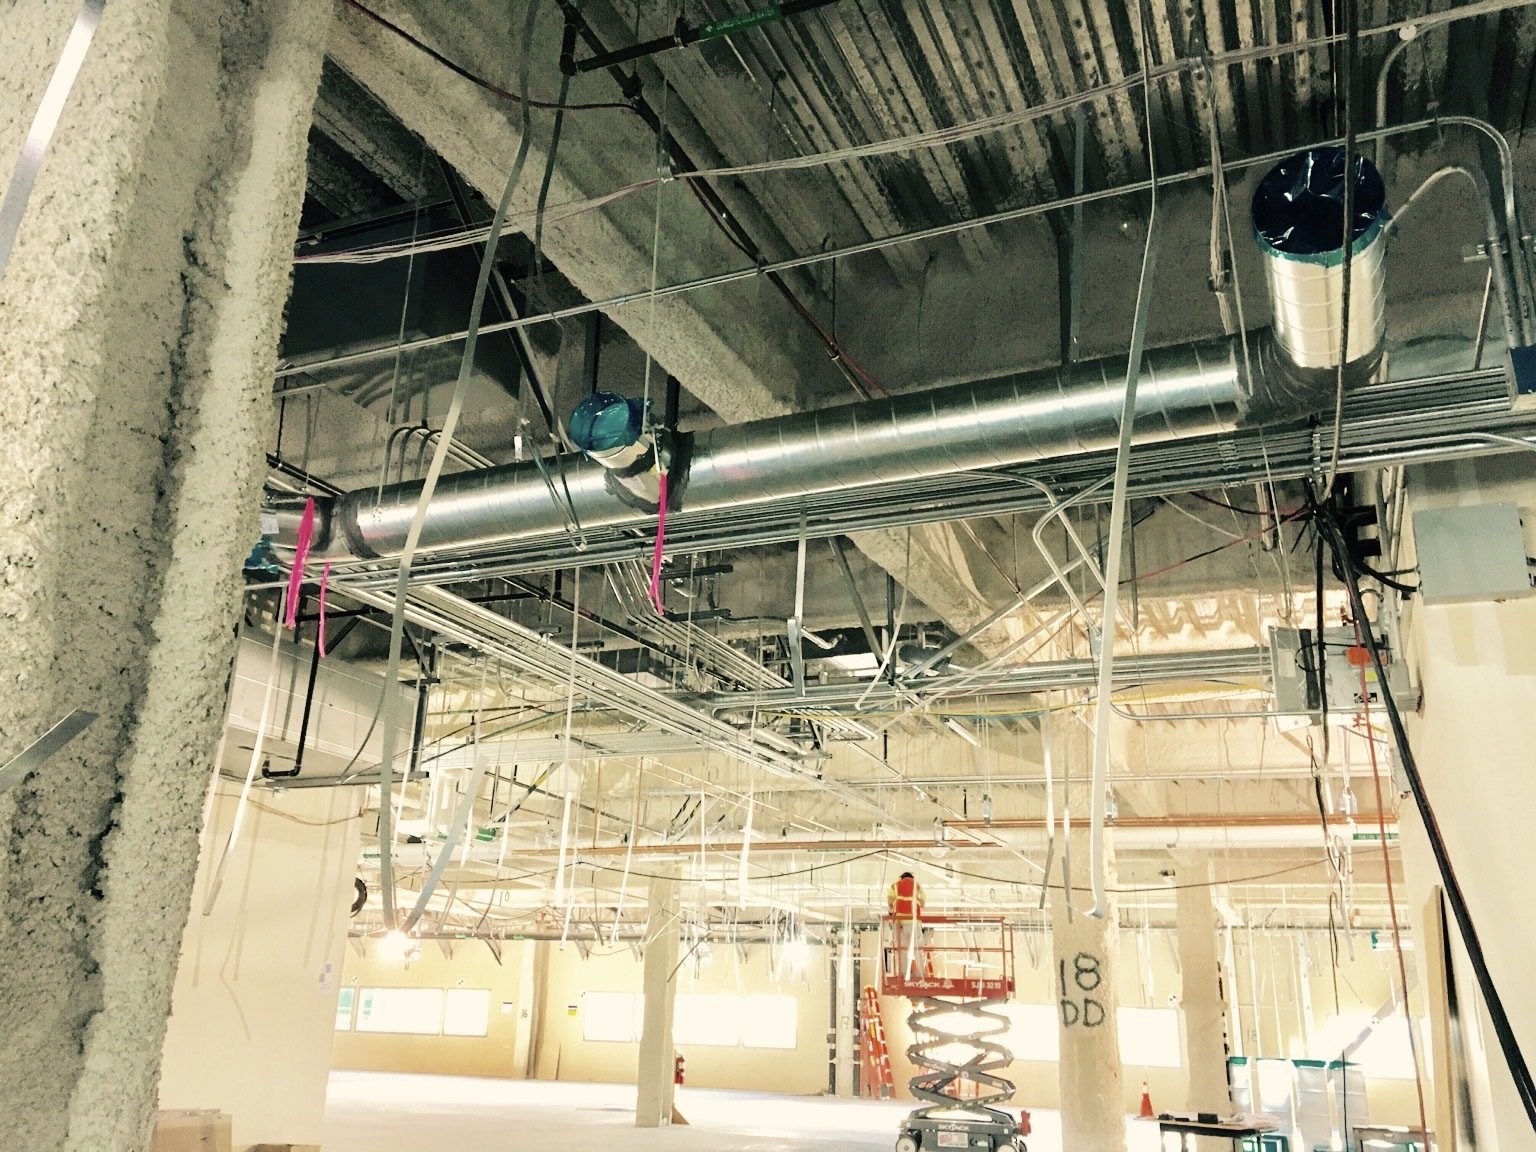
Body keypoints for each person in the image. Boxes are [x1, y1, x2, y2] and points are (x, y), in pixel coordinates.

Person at [886, 871, 926, 977]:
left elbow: (890, 903)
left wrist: (892, 912)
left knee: (902, 949)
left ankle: (903, 973)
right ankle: (920, 974)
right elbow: (922, 904)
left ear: (901, 878)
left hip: (900, 922)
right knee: (917, 948)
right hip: (914, 921)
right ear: (912, 878)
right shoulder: (917, 885)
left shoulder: (895, 885)